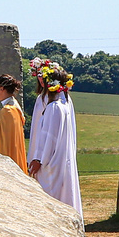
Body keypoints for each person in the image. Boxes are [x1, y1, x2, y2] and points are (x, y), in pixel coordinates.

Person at [28, 61, 82, 217]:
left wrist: (39, 159)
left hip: (50, 159)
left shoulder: (53, 107)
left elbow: (48, 136)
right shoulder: (62, 104)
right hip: (60, 157)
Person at [0, 74, 27, 170]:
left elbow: (2, 139)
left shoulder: (7, 111)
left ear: (1, 89)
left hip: (5, 155)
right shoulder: (14, 105)